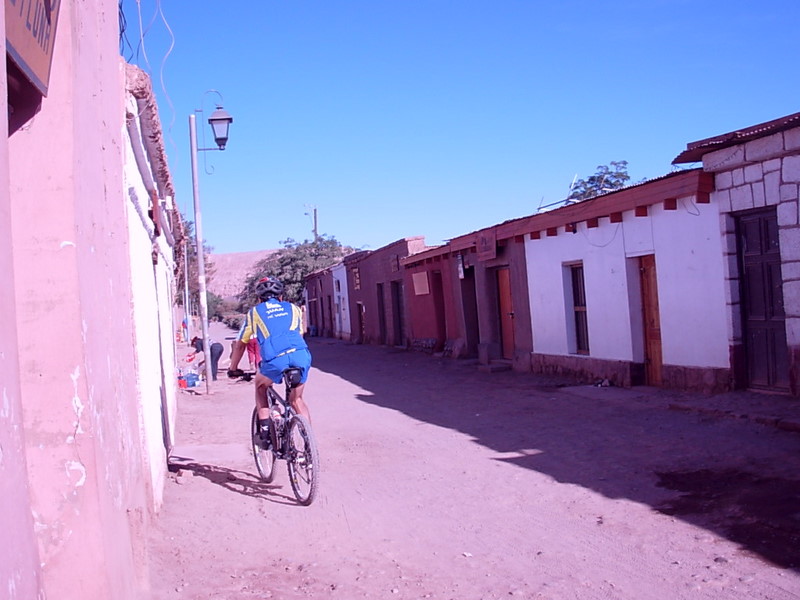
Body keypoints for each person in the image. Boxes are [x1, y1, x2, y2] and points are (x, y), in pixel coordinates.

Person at [228, 276, 312, 434]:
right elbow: (300, 333)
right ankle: (308, 444)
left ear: (259, 299)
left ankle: (265, 432)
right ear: (281, 297)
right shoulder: (294, 308)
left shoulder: (255, 313)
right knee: (297, 400)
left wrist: (233, 368)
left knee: (260, 386)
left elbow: (240, 344)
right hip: (301, 355)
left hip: (275, 359)